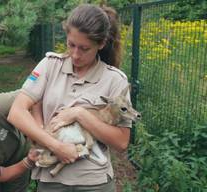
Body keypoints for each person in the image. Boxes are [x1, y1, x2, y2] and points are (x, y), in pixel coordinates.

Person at [8, 4, 132, 192]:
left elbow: (121, 142)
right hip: (52, 178)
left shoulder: (115, 80)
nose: (75, 54)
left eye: (84, 49)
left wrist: (80, 114)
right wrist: (56, 146)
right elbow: (16, 113)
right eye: (71, 44)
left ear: (101, 44)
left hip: (95, 182)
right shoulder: (49, 65)